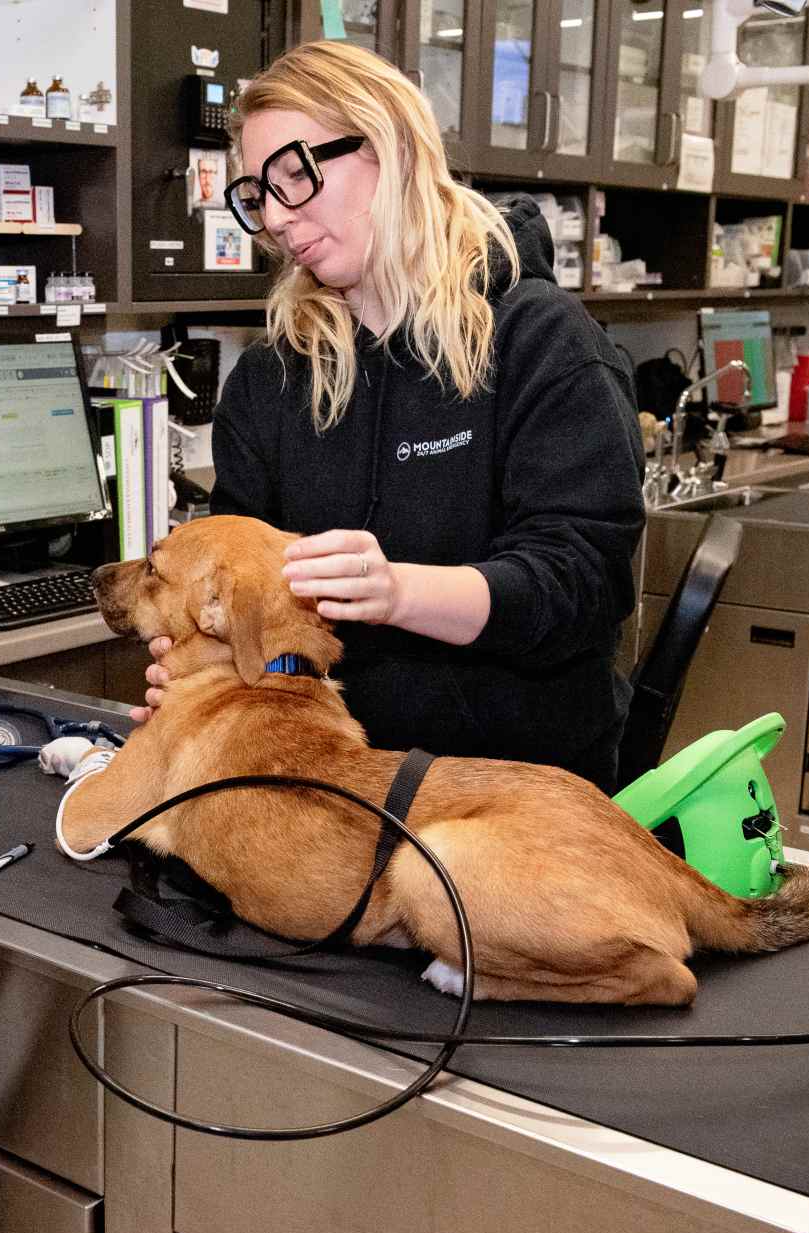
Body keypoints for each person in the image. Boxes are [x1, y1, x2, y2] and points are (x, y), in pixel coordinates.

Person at [138, 41, 645, 791]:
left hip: (508, 794)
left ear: (393, 146)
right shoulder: (270, 379)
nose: (277, 217)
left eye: (295, 175)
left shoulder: (542, 342)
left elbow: (580, 588)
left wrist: (400, 593)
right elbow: (243, 591)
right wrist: (200, 672)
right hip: (318, 783)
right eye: (257, 194)